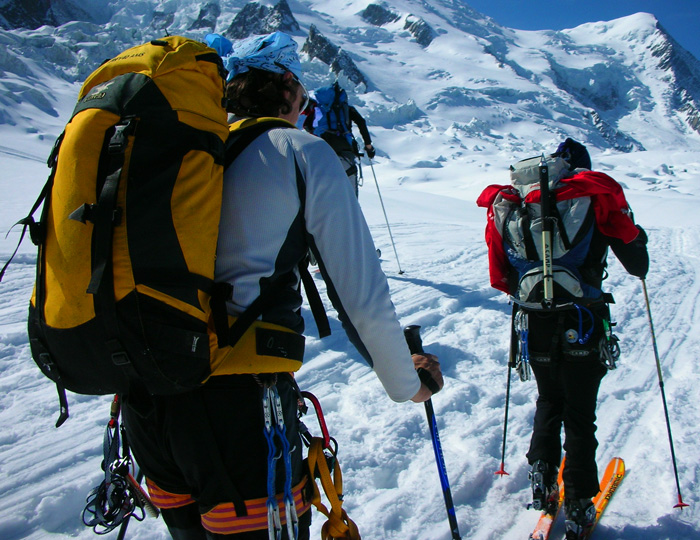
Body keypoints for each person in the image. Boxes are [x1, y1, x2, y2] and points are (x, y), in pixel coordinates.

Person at [122, 31, 443, 540]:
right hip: (239, 410)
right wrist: (408, 382)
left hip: (150, 398)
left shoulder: (192, 154)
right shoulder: (301, 152)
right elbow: (361, 298)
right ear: (288, 87)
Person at [477, 138, 649, 540]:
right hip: (583, 318)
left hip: (534, 318)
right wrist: (632, 232)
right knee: (579, 411)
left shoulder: (518, 205)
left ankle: (542, 474)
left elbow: (502, 269)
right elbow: (637, 264)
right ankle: (578, 502)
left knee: (549, 398)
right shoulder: (594, 200)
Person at [310, 81, 375, 197]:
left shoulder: (319, 110)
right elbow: (361, 122)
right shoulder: (347, 109)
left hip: (322, 152)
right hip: (345, 152)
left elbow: (309, 127)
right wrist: (369, 147)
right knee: (350, 196)